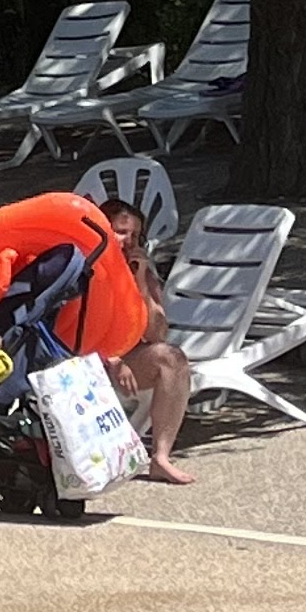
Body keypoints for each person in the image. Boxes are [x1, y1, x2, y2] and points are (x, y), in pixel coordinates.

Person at [95, 194, 195, 484]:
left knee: (172, 359)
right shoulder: (84, 268)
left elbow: (157, 334)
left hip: (126, 358)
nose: (128, 241)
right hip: (85, 359)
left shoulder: (140, 273)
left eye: (136, 236)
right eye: (121, 232)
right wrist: (112, 360)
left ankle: (160, 458)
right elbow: (74, 329)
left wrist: (140, 283)